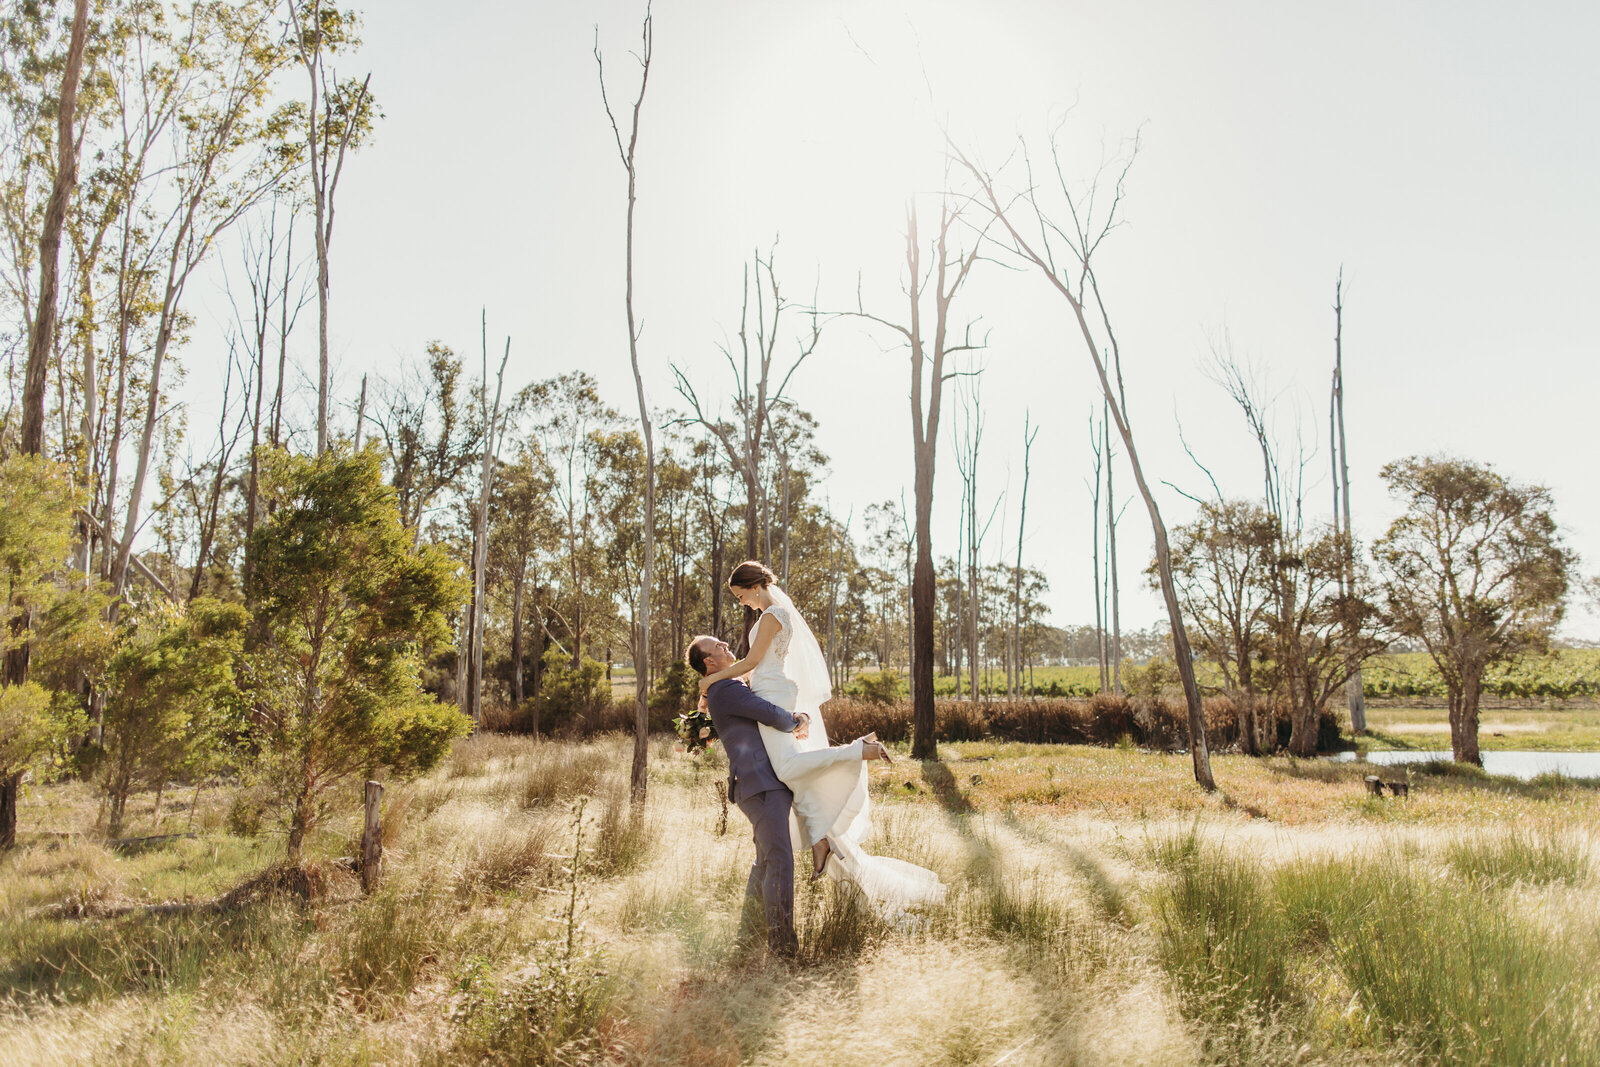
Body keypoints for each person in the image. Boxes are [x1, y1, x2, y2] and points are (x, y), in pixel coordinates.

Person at [695, 560, 945, 918]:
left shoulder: (772, 615)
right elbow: (752, 668)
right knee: (790, 774)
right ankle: (821, 840)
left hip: (773, 692)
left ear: (754, 586)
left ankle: (857, 751)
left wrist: (711, 681)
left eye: (740, 595)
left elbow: (750, 662)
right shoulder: (769, 615)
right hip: (768, 692)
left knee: (788, 765)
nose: (741, 603)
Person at [687, 632, 811, 955]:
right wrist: (796, 720)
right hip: (760, 785)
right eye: (718, 646)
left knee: (766, 863)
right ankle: (783, 948)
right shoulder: (724, 688)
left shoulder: (727, 684)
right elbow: (766, 712)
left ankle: (748, 937)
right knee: (780, 861)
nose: (726, 645)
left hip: (760, 784)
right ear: (709, 662)